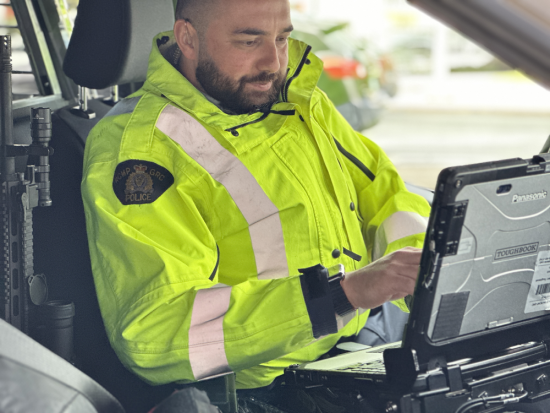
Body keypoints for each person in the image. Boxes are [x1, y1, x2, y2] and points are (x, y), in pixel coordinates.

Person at [81, 0, 430, 410]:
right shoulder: (141, 151)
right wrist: (342, 296)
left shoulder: (297, 101)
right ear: (188, 39)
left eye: (282, 37)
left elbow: (386, 195)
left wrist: (428, 279)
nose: (273, 62)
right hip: (260, 395)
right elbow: (155, 331)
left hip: (354, 354)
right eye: (250, 41)